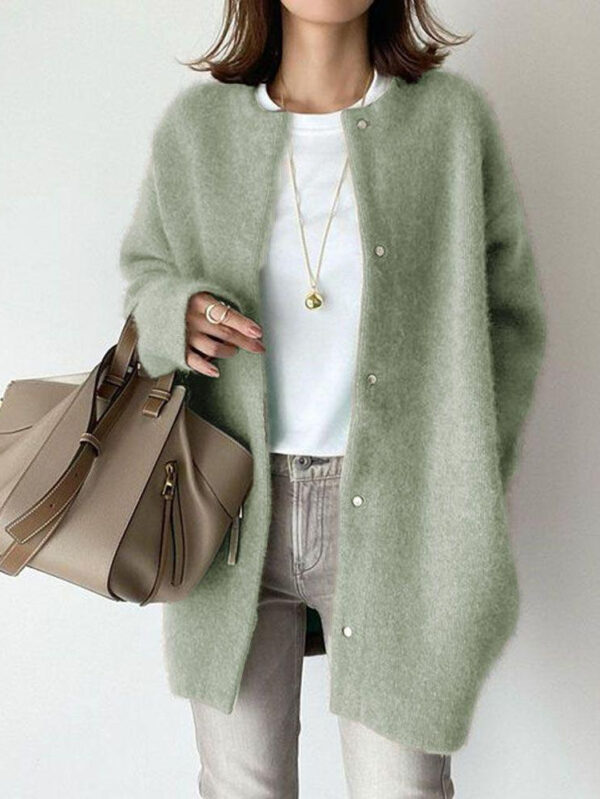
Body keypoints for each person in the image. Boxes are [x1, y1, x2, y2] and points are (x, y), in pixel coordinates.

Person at [118, 1, 547, 796]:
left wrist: (464, 476)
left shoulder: (450, 126)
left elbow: (512, 317)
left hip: (401, 515)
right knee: (243, 785)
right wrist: (176, 312)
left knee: (402, 786)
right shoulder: (198, 132)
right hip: (229, 511)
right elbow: (146, 278)